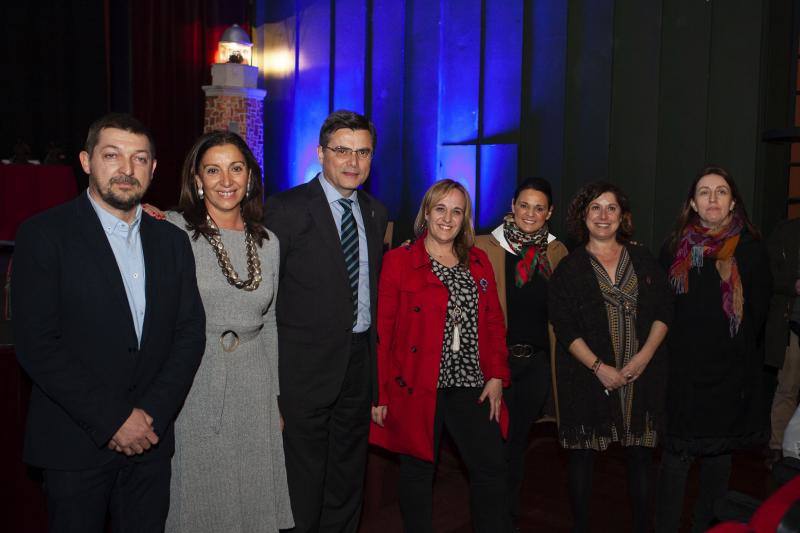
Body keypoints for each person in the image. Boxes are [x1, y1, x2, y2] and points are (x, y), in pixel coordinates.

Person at [11, 113, 206, 533]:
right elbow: (37, 345)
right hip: (74, 445)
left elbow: (189, 335)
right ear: (86, 161)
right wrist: (115, 420)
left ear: (153, 169)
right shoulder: (43, 235)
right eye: (112, 155)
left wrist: (150, 415)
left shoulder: (171, 241)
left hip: (151, 446)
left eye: (139, 159)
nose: (126, 169)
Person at [159, 131, 293, 532]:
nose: (226, 180)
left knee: (253, 493)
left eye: (236, 168)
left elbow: (268, 322)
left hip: (254, 381)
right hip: (195, 376)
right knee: (201, 493)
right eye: (213, 170)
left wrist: (275, 399)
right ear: (197, 180)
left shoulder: (268, 243)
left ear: (250, 176)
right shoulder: (173, 229)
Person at [263, 110, 388, 533]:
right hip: (302, 372)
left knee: (348, 477)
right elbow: (266, 297)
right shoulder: (284, 209)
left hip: (356, 365)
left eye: (363, 152)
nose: (353, 162)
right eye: (342, 151)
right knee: (303, 481)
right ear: (321, 153)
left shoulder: (375, 212)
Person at [369, 179, 512, 533]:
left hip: (472, 384)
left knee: (491, 467)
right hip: (417, 383)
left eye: (457, 211)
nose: (448, 218)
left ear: (465, 219)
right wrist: (380, 393)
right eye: (441, 209)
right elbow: (383, 333)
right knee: (418, 471)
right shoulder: (398, 261)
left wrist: (496, 375)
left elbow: (494, 321)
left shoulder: (478, 261)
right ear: (427, 214)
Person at [548, 181, 672, 533]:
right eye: (595, 208)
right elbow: (564, 325)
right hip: (587, 379)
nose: (604, 216)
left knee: (640, 457)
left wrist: (643, 359)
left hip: (642, 376)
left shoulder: (643, 257)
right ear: (583, 216)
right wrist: (599, 368)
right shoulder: (570, 268)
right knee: (582, 458)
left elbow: (665, 308)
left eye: (611, 208)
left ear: (623, 215)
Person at [655, 166, 772, 533]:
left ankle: (707, 527)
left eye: (721, 192)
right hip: (683, 374)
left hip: (728, 375)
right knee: (675, 460)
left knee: (719, 461)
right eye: (704, 192)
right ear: (692, 202)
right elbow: (662, 310)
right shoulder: (675, 248)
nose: (713, 199)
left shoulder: (751, 250)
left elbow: (758, 315)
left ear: (733, 200)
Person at [474, 177, 568, 526]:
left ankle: (507, 515)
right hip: (495, 364)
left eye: (539, 207)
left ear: (550, 213)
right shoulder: (484, 245)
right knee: (490, 447)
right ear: (513, 205)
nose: (530, 213)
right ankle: (488, 517)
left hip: (536, 366)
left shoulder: (557, 253)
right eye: (524, 205)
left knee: (516, 445)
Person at [765, 217, 800, 466]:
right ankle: (779, 447)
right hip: (792, 326)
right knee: (788, 387)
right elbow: (768, 275)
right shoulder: (785, 231)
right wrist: (794, 285)